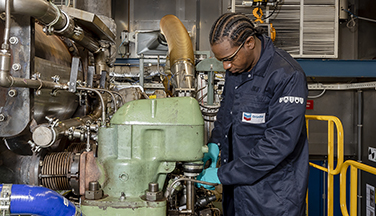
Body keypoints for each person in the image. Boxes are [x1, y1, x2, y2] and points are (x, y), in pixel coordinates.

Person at [197, 13, 309, 216]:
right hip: (238, 190)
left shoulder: (287, 75)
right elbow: (226, 111)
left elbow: (278, 144)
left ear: (249, 42)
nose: (226, 67)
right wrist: (215, 144)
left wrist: (222, 174)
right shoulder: (236, 70)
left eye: (229, 59)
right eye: (221, 60)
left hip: (273, 196)